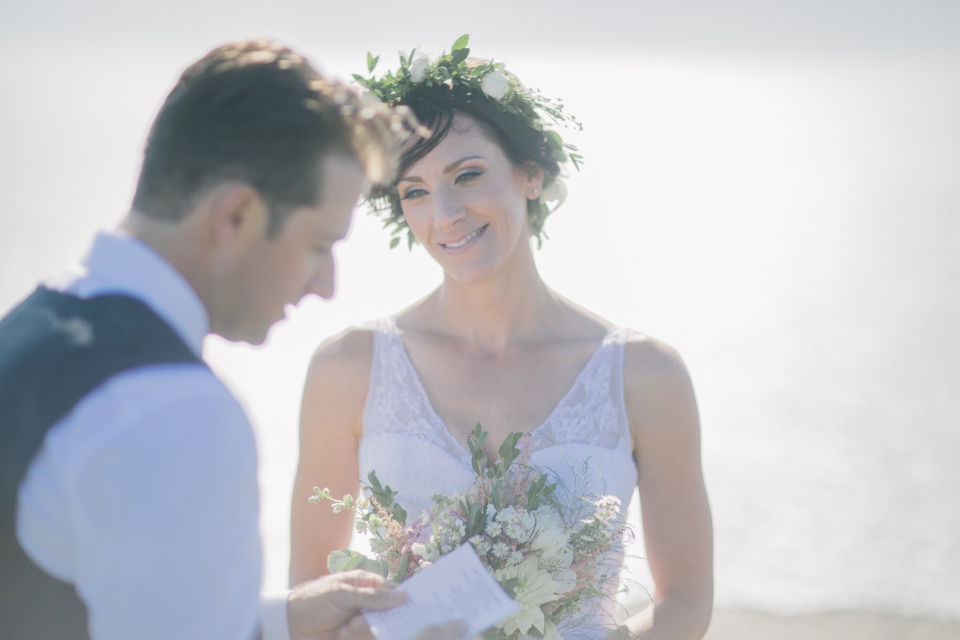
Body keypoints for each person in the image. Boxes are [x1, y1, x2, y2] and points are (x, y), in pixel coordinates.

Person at [0, 40, 468, 640]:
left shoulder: (37, 325)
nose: (326, 285)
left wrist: (283, 621)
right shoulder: (175, 410)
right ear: (237, 217)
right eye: (319, 245)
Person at [290, 38, 714, 639]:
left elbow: (687, 598)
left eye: (468, 175)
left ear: (531, 174)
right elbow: (307, 602)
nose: (445, 213)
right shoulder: (347, 370)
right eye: (414, 190)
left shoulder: (647, 376)